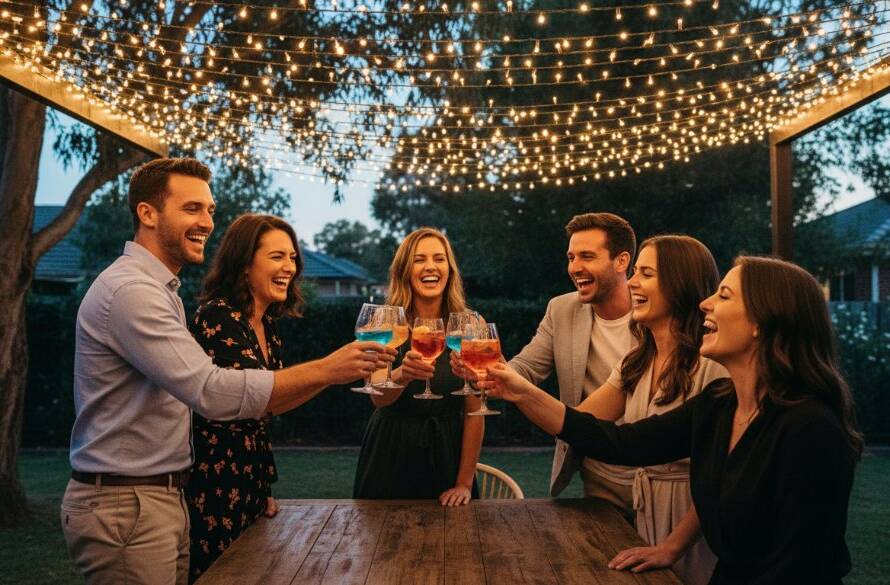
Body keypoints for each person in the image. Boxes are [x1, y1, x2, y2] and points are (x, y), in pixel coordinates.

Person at [62, 158, 395, 585]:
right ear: (147, 214)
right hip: (128, 503)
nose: (206, 221)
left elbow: (250, 402)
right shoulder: (132, 292)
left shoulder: (160, 291)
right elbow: (212, 393)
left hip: (158, 497)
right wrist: (329, 369)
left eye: (209, 210)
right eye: (191, 209)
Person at [485, 256, 862, 585]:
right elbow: (620, 442)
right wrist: (520, 390)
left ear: (761, 322)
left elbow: (799, 568)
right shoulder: (718, 406)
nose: (706, 303)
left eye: (725, 296)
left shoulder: (811, 429)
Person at [454, 212, 638, 505]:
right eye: (571, 257)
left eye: (587, 256)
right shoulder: (561, 309)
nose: (575, 267)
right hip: (597, 472)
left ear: (621, 261)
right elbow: (526, 367)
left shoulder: (652, 311)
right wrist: (495, 370)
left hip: (653, 470)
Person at [576, 235, 725, 585]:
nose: (631, 281)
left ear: (681, 283)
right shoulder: (636, 361)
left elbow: (721, 477)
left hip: (693, 523)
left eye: (646, 272)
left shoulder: (713, 364)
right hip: (648, 514)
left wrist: (673, 546)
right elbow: (581, 423)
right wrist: (512, 389)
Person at [185, 214, 304, 581]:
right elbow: (257, 398)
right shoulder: (218, 316)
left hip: (250, 483)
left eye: (293, 257)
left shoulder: (266, 323)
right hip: (213, 486)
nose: (289, 267)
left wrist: (258, 488)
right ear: (245, 262)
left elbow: (276, 401)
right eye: (277, 257)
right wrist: (332, 369)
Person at [353, 227, 483, 505]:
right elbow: (378, 397)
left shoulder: (470, 325)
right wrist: (402, 374)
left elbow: (475, 412)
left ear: (450, 268)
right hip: (390, 454)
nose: (430, 267)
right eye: (419, 259)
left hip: (448, 453)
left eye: (439, 258)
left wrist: (463, 483)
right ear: (405, 270)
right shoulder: (385, 323)